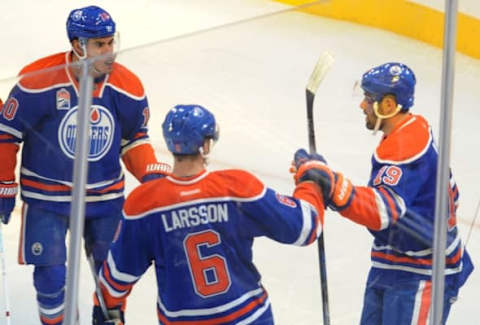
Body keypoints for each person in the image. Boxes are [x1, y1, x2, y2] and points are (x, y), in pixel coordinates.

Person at [0, 6, 170, 325]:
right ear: (79, 45)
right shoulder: (36, 82)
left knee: (112, 276)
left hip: (104, 197)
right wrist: (4, 184)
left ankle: (103, 319)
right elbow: (6, 135)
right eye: (100, 45)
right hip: (46, 199)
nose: (110, 52)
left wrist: (150, 174)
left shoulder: (128, 86)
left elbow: (134, 139)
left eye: (111, 42)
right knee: (50, 278)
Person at [92, 104, 329, 324]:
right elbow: (305, 227)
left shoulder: (144, 204)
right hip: (247, 317)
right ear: (205, 146)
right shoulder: (238, 188)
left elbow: (117, 277)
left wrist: (108, 311)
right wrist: (311, 179)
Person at [298, 62, 473, 324]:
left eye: (369, 99)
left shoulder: (407, 145)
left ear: (388, 105)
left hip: (424, 272)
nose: (362, 105)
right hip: (394, 260)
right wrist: (327, 182)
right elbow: (452, 195)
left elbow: (382, 211)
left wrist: (333, 186)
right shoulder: (407, 132)